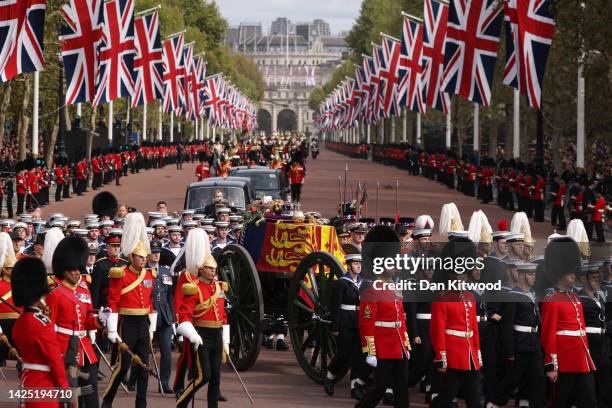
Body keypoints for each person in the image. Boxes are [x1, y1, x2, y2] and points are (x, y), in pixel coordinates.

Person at [46, 236, 111, 408]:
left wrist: (100, 320)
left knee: (90, 393)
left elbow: (88, 319)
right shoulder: (55, 293)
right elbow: (50, 326)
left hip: (85, 348)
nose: (77, 273)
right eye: (73, 269)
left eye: (79, 269)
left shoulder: (84, 289)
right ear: (64, 270)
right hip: (65, 348)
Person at [102, 213, 157, 408]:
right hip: (127, 324)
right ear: (131, 256)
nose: (143, 260)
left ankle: (141, 403)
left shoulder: (150, 275)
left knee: (143, 367)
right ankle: (108, 399)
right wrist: (112, 328)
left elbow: (150, 303)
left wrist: (151, 327)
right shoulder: (120, 274)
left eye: (144, 257)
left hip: (143, 323)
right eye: (140, 257)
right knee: (123, 366)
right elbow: (113, 301)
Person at [175, 229, 229, 408]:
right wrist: (191, 333)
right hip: (201, 334)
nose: (213, 271)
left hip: (217, 333)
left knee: (215, 378)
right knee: (203, 376)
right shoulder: (193, 287)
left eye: (214, 268)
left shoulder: (219, 288)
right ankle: (182, 402)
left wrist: (226, 339)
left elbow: (223, 314)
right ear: (201, 269)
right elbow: (184, 314)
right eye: (209, 268)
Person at [540, 237, 596, 407]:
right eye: (569, 270)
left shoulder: (575, 297)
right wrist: (551, 366)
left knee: (589, 401)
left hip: (582, 359)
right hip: (564, 362)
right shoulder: (552, 299)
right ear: (559, 272)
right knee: (562, 402)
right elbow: (548, 335)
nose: (574, 274)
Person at [430, 238, 482, 408]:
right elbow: (438, 330)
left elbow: (473, 328)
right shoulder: (443, 298)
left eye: (464, 275)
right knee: (447, 396)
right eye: (458, 275)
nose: (462, 279)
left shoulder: (470, 297)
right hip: (453, 355)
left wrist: (477, 353)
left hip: (469, 355)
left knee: (474, 398)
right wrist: (441, 357)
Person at [11, 256, 70, 407]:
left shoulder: (20, 322)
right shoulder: (41, 323)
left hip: (27, 382)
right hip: (44, 385)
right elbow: (55, 361)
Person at [493, 262, 544, 408]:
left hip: (534, 343)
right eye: (530, 274)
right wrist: (509, 352)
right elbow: (506, 326)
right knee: (511, 380)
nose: (533, 277)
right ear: (520, 275)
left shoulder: (534, 294)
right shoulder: (513, 296)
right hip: (519, 344)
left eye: (534, 274)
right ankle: (494, 404)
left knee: (538, 379)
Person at [325, 253, 367, 399]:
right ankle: (330, 376)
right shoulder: (342, 283)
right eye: (355, 264)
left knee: (358, 355)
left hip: (359, 322)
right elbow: (335, 306)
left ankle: (354, 386)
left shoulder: (363, 283)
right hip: (345, 322)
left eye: (360, 264)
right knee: (344, 352)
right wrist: (335, 327)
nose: (358, 266)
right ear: (349, 266)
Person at [577, 261, 611, 408]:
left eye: (598, 277)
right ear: (584, 279)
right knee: (588, 385)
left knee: (604, 382)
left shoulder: (599, 296)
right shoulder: (578, 298)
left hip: (602, 343)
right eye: (593, 278)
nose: (597, 280)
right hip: (588, 343)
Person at [149, 240, 174, 394]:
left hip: (164, 316)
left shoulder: (165, 272)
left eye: (158, 252)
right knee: (142, 352)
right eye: (153, 251)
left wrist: (172, 316)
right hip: (149, 314)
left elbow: (170, 295)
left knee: (167, 353)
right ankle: (134, 380)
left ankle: (164, 383)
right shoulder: (143, 271)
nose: (156, 254)